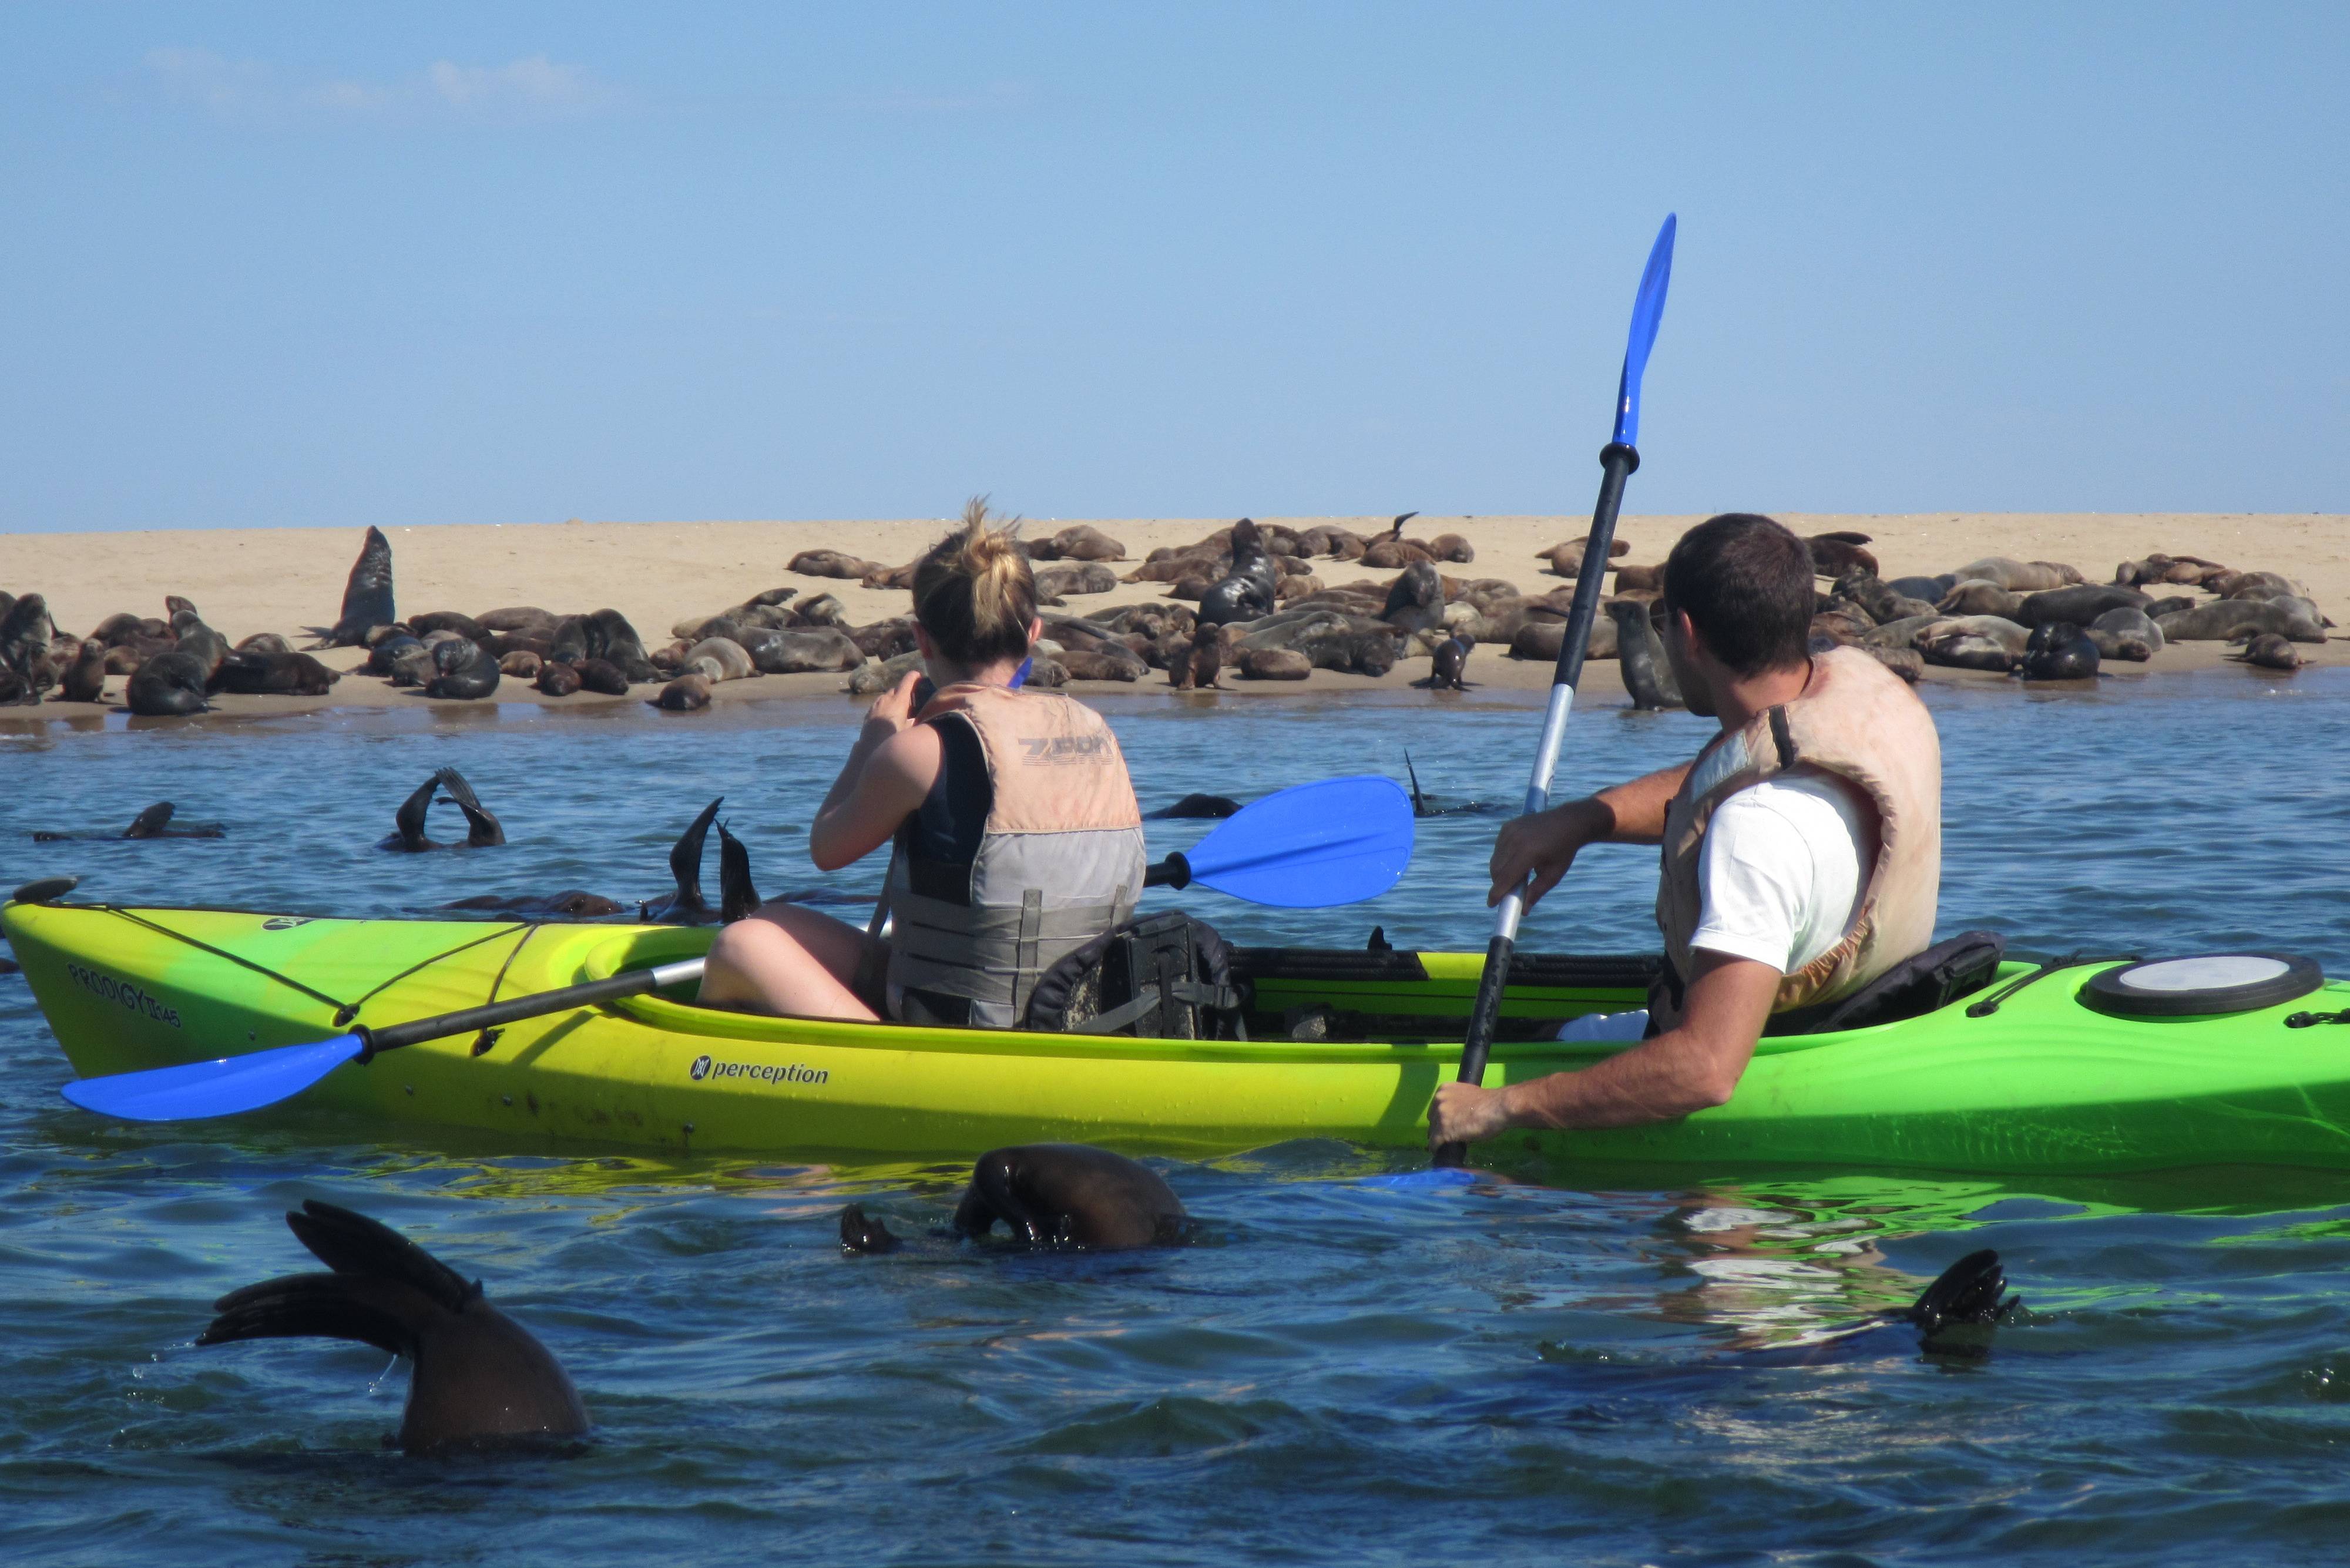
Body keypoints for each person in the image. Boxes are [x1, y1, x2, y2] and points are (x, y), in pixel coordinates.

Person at [1428, 512, 1942, 1150]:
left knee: (1527, 1069)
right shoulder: (1857, 694)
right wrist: (1585, 819)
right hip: (1869, 1003)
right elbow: (1736, 769)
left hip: (1752, 1077)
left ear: (1688, 634)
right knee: (1548, 1034)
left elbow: (1703, 1068)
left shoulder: (1756, 832)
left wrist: (1499, 1107)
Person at [700, 508, 1147, 1025]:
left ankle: (874, 1064)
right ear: (1034, 634)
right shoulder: (1096, 731)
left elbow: (826, 847)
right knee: (775, 921)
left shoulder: (918, 750)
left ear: (923, 638)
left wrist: (873, 741)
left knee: (740, 944)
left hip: (969, 1025)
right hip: (1083, 1005)